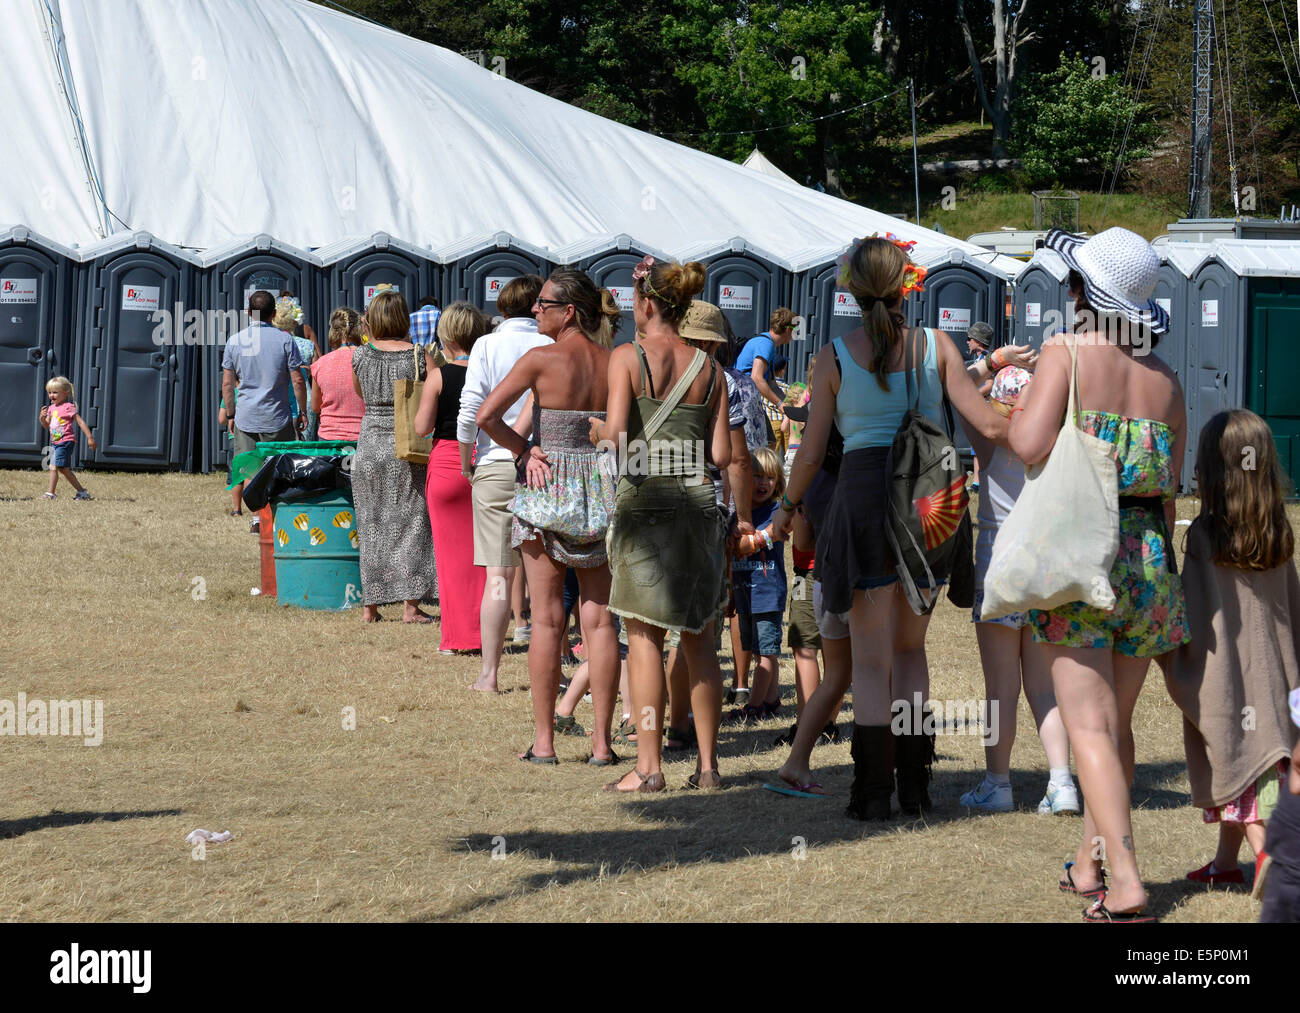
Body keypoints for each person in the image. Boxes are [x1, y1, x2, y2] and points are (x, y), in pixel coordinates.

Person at [772, 235, 1005, 822]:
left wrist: (785, 507)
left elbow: (812, 450)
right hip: (928, 501)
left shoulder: (832, 355)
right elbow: (986, 424)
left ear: (849, 289)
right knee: (911, 651)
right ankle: (916, 786)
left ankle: (874, 793)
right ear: (907, 282)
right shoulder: (938, 345)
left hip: (862, 501)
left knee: (871, 660)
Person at [1009, 226, 1188, 922]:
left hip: (1084, 550)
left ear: (1084, 292)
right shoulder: (1166, 378)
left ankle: (1128, 882)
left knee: (1087, 726)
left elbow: (1027, 445)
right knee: (1113, 726)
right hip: (1146, 556)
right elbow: (1170, 487)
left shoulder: (1066, 352)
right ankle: (1089, 862)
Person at [595, 256, 731, 792]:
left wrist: (597, 433)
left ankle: (649, 769)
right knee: (699, 639)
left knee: (645, 638)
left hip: (646, 504)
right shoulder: (712, 368)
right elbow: (720, 452)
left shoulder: (628, 357)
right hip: (699, 506)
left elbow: (620, 441)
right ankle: (708, 767)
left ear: (645, 302)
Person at [476, 270, 621, 765]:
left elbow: (486, 417)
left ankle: (544, 744)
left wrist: (526, 451)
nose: (535, 310)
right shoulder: (616, 363)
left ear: (570, 311)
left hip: (546, 488)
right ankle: (602, 746)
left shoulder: (539, 360)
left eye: (543, 303)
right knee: (600, 623)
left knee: (545, 621)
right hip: (600, 493)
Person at [1164, 410, 1300, 888]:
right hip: (1276, 679)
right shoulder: (1277, 532)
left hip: (1226, 677)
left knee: (1239, 758)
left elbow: (1193, 615)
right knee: (1253, 756)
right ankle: (1225, 862)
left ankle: (1268, 855)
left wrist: (1171, 654)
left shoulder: (1205, 536)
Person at [958, 365, 1078, 815]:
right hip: (1047, 571)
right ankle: (1062, 782)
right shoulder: (1055, 442)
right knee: (1045, 689)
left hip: (999, 568)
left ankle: (998, 783)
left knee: (1000, 688)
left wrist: (987, 369)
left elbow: (957, 387)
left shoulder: (989, 443)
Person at [457, 275, 551, 691]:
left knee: (499, 576)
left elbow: (470, 409)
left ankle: (489, 674)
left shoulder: (487, 345)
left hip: (494, 462)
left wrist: (467, 462)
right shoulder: (551, 347)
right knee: (549, 577)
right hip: (544, 465)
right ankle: (554, 668)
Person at [349, 290, 436, 624]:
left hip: (369, 444)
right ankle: (411, 607)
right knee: (413, 522)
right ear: (403, 318)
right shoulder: (419, 355)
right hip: (407, 445)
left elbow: (360, 393)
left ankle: (370, 607)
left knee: (370, 524)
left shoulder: (359, 355)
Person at [413, 302, 491, 654]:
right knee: (487, 558)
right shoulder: (491, 372)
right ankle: (486, 633)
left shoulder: (439, 375)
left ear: (446, 335)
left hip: (445, 464)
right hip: (485, 458)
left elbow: (422, 427)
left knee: (450, 559)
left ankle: (456, 637)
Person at [725, 447, 788, 724]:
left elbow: (775, 532)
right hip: (744, 594)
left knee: (767, 654)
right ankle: (771, 701)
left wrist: (747, 543)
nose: (763, 483)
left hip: (767, 594)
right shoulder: (739, 516)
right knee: (758, 652)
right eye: (757, 476)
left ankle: (753, 706)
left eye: (770, 478)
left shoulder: (778, 511)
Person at [222, 289, 305, 475]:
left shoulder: (234, 341)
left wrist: (230, 415)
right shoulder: (285, 340)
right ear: (274, 313)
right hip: (277, 418)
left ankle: (252, 505)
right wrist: (303, 411)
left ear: (249, 312)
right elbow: (298, 381)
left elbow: (227, 385)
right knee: (278, 471)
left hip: (246, 418)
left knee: (249, 471)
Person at [310, 307, 367, 442]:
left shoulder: (320, 364)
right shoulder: (370, 359)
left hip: (329, 438)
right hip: (363, 436)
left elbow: (315, 406)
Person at [39, 376, 96, 500]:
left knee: (53, 466)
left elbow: (80, 422)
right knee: (63, 469)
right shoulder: (51, 408)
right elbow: (46, 425)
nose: (51, 395)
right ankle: (82, 492)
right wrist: (42, 418)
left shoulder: (68, 407)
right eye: (49, 392)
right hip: (56, 442)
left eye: (55, 392)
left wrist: (90, 437)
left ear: (65, 392)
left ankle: (50, 493)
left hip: (66, 441)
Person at [736, 308, 796, 406]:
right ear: (789, 330)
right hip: (741, 400)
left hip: (745, 397)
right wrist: (780, 404)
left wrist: (789, 405)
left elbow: (772, 385)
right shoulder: (766, 344)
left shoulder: (765, 341)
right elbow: (756, 378)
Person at [276, 296, 316, 439]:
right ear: (295, 321)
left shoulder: (273, 343)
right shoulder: (307, 345)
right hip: (305, 398)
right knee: (304, 446)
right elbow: (316, 373)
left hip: (280, 401)